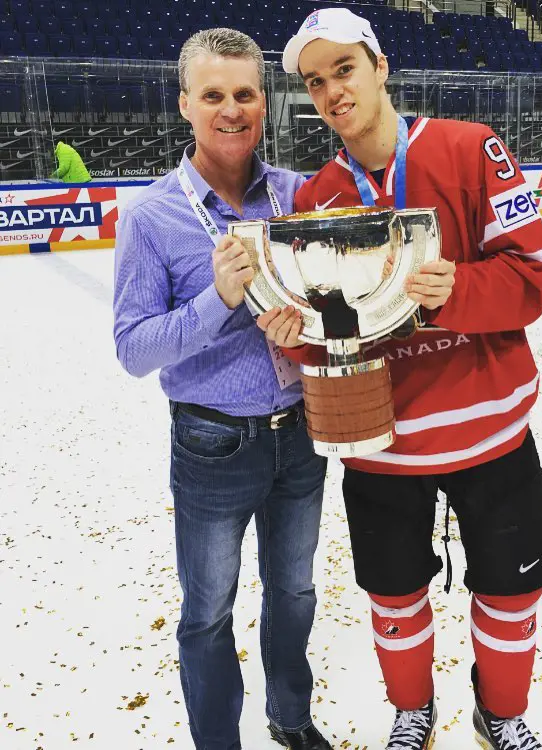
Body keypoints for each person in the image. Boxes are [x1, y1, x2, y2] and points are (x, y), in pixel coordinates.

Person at [260, 8, 542, 750]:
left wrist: (453, 289)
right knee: (392, 594)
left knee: (512, 589)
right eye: (315, 81)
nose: (332, 91)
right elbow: (333, 344)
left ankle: (503, 712)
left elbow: (534, 276)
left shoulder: (473, 148)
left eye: (345, 70)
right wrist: (295, 341)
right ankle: (411, 711)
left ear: (381, 66)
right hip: (381, 445)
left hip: (492, 431)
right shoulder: (315, 198)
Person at [113, 28, 331, 750]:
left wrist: (313, 320)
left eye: (244, 94)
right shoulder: (151, 217)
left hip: (301, 434)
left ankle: (291, 718)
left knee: (295, 593)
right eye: (213, 95)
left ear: (263, 103)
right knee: (208, 611)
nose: (230, 109)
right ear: (185, 105)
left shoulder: (297, 196)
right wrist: (216, 299)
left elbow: (339, 296)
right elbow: (133, 348)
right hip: (212, 442)